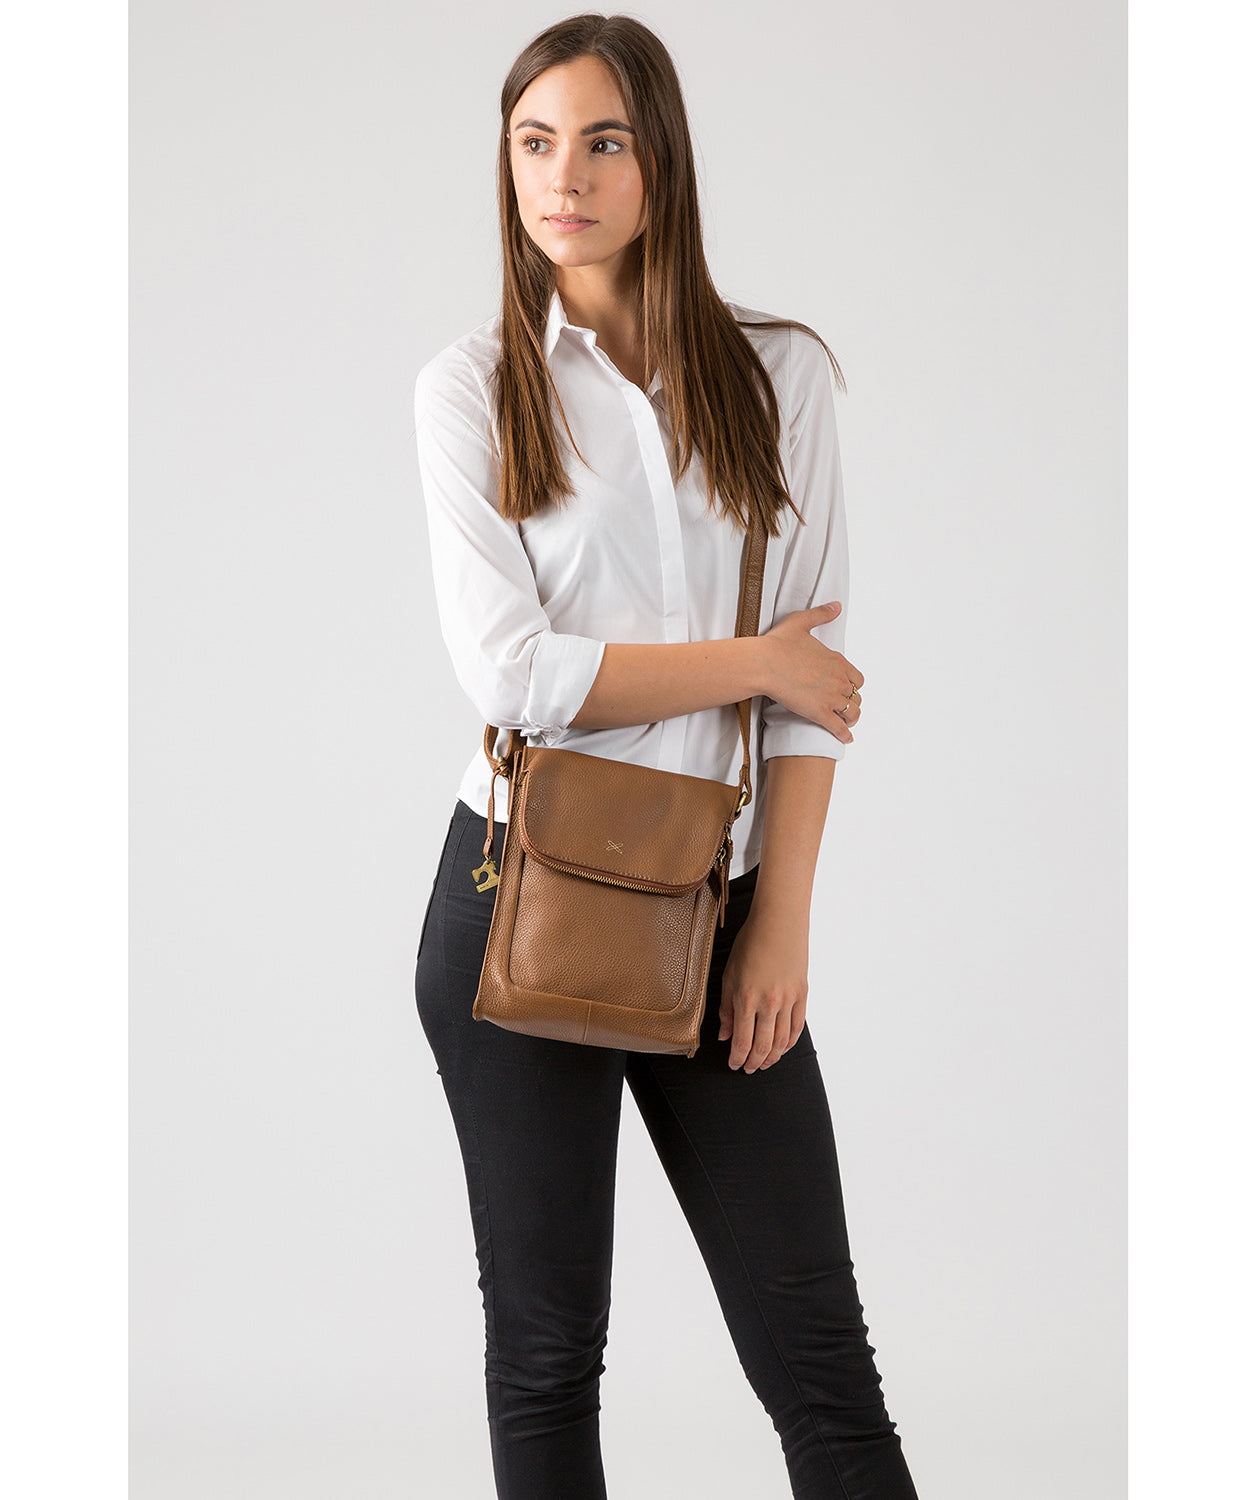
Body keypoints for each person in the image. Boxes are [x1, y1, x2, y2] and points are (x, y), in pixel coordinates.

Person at [411, 14, 920, 1500]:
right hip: (515, 899)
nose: (562, 178)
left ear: (661, 162)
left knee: (822, 1365)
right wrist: (751, 661)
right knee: (547, 1358)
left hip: (721, 898)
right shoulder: (469, 388)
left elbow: (812, 688)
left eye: (601, 141)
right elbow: (514, 674)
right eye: (534, 143)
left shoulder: (778, 374)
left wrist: (783, 923)